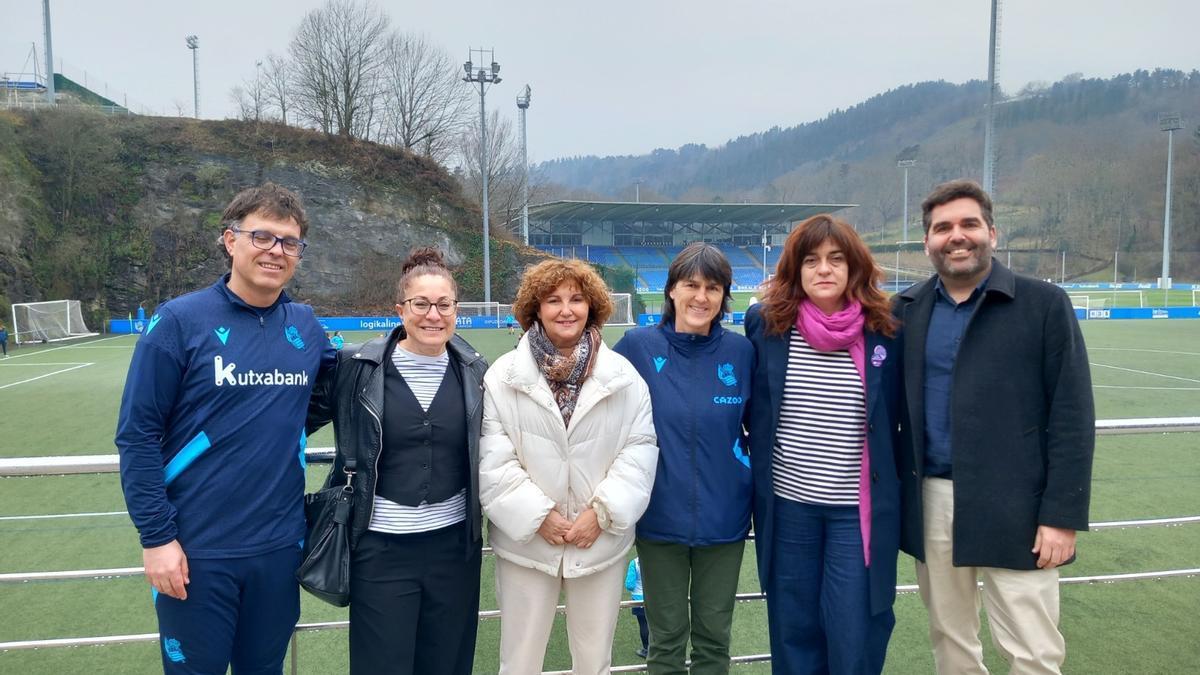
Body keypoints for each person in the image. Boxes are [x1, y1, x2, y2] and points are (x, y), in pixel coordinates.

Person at [115, 183, 335, 673]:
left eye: (289, 241)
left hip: (279, 549)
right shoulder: (179, 321)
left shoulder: (306, 326)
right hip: (196, 552)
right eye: (262, 236)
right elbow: (136, 435)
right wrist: (156, 539)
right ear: (230, 240)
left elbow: (341, 393)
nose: (276, 251)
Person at [894, 180, 1095, 675]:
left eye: (968, 224)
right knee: (951, 637)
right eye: (942, 228)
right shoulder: (905, 310)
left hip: (1019, 508)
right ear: (927, 242)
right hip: (932, 501)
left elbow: (1072, 416)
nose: (956, 236)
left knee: (1033, 648)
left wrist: (1061, 515)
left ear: (992, 233)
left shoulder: (1043, 305)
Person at [307, 247, 488, 675]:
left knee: (447, 664)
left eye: (444, 304)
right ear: (399, 309)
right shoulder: (356, 367)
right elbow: (285, 421)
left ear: (456, 309)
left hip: (454, 550)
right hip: (379, 549)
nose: (433, 315)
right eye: (420, 304)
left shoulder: (478, 372)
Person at [479, 258, 658, 675]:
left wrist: (602, 512)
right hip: (527, 545)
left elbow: (640, 449)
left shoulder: (625, 377)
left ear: (591, 306)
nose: (566, 309)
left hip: (598, 541)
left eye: (576, 299)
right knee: (519, 662)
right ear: (535, 308)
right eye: (553, 299)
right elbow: (493, 458)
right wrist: (539, 516)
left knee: (594, 662)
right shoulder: (501, 376)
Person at [744, 214, 904, 674]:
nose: (824, 269)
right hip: (789, 507)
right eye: (811, 260)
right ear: (795, 270)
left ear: (854, 266)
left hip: (856, 512)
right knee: (794, 630)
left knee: (854, 631)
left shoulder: (885, 328)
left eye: (836, 259)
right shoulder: (768, 324)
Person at [613, 242, 754, 674]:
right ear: (671, 290)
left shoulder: (741, 353)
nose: (701, 296)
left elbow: (762, 428)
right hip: (659, 520)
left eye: (713, 287)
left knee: (714, 639)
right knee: (666, 639)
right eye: (691, 284)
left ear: (724, 296)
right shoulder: (636, 347)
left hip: (725, 520)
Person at [624, 557, 650, 659]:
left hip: (638, 598)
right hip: (654, 597)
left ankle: (646, 650)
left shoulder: (634, 562)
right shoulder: (655, 559)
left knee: (643, 624)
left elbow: (629, 585)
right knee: (655, 625)